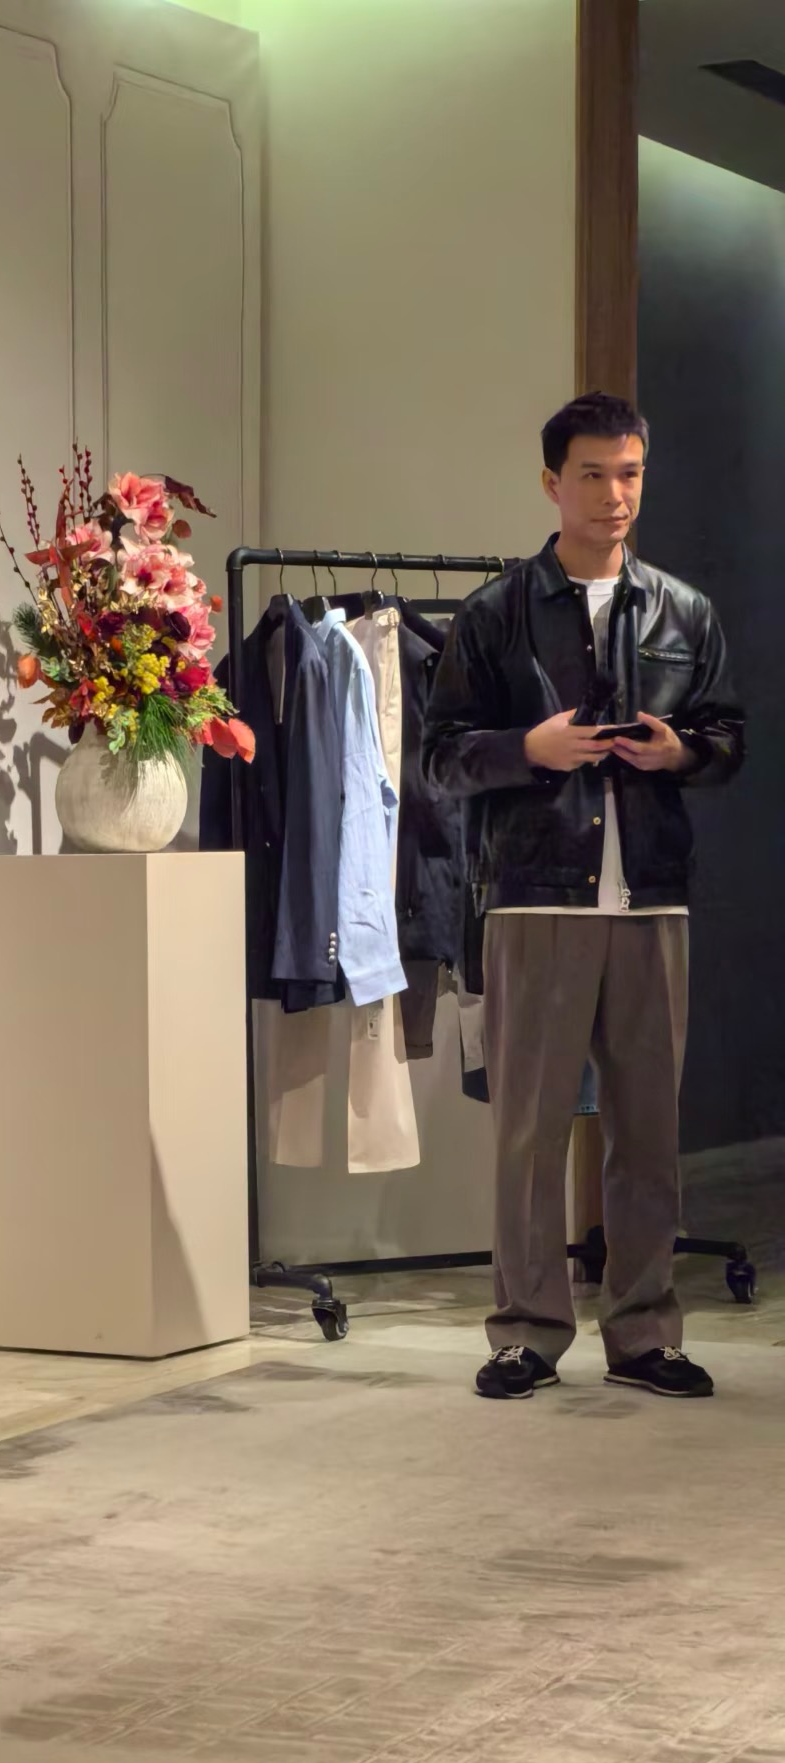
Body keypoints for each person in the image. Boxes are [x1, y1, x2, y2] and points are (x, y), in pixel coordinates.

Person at [423, 391, 744, 1403]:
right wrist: (531, 748)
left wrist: (680, 750)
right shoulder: (493, 614)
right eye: (595, 474)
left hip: (650, 897)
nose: (615, 494)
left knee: (648, 1130)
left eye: (630, 473)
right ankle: (526, 1332)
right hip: (536, 895)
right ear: (552, 482)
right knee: (530, 1131)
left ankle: (645, 1333)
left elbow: (728, 738)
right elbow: (438, 758)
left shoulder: (684, 612)